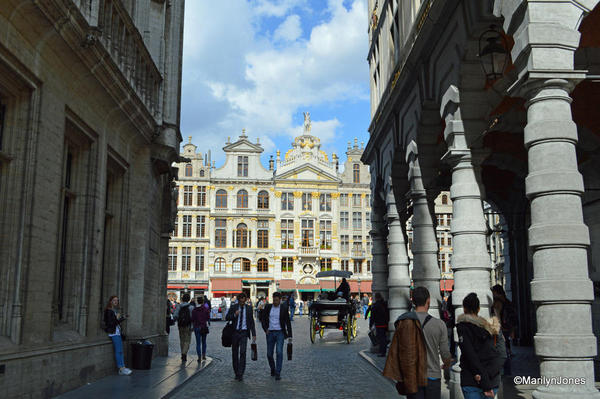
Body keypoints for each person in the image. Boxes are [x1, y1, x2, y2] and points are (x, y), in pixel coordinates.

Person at [457, 292, 506, 399]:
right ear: (478, 309)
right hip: (491, 380)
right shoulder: (492, 328)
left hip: (473, 380)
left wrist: (484, 380)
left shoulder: (463, 328)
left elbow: (471, 356)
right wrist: (489, 377)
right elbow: (502, 354)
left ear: (464, 309)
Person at [408, 287, 453, 399]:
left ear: (413, 301)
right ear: (428, 301)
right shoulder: (439, 324)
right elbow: (444, 352)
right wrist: (447, 364)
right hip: (432, 376)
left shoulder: (404, 323)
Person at [259, 292, 293, 380]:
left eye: (277, 300)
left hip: (280, 332)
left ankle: (278, 372)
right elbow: (263, 319)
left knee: (279, 352)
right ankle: (273, 368)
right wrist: (265, 329)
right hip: (270, 332)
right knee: (269, 354)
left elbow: (288, 322)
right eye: (274, 300)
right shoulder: (268, 307)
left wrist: (290, 335)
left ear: (280, 300)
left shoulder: (284, 308)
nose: (275, 302)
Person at [226, 292, 257, 381]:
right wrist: (234, 315)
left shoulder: (249, 308)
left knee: (243, 352)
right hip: (235, 332)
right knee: (234, 353)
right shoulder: (234, 307)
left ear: (246, 300)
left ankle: (241, 373)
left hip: (244, 333)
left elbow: (251, 322)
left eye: (244, 302)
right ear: (238, 301)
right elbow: (227, 317)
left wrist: (253, 334)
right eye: (241, 302)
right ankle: (236, 372)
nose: (242, 303)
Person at [491, 285, 517, 375]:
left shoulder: (497, 303)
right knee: (506, 349)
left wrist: (498, 329)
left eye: (493, 292)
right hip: (508, 328)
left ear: (496, 292)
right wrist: (512, 330)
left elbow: (497, 317)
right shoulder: (508, 302)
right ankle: (507, 371)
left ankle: (504, 371)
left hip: (501, 329)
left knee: (501, 350)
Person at [103, 295, 132, 375]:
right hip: (113, 333)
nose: (116, 302)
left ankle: (123, 367)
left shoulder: (113, 310)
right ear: (110, 301)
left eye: (117, 300)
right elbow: (111, 323)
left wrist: (122, 318)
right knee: (118, 350)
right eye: (114, 300)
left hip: (117, 332)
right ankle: (121, 368)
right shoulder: (108, 311)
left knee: (121, 351)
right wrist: (118, 318)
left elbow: (116, 322)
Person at [174, 293, 194, 362]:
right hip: (188, 325)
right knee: (187, 341)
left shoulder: (178, 306)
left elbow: (175, 316)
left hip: (180, 325)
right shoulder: (191, 307)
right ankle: (184, 353)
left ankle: (182, 352)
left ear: (182, 299)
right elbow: (192, 318)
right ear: (189, 299)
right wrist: (192, 326)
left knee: (181, 340)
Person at [369, 292, 389, 357]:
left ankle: (382, 352)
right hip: (385, 323)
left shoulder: (375, 305)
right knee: (383, 337)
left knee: (381, 338)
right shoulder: (384, 304)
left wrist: (370, 324)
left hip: (379, 324)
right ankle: (383, 350)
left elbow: (372, 316)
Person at [192, 296, 210, 362]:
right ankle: (204, 355)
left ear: (197, 301)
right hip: (203, 327)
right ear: (202, 301)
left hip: (197, 327)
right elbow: (208, 317)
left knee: (198, 343)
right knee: (204, 342)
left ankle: (199, 357)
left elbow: (193, 319)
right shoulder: (206, 309)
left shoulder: (194, 310)